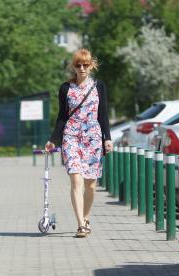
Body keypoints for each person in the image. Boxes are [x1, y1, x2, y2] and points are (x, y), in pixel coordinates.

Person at [45, 48, 113, 238]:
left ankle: (86, 217)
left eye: (86, 64)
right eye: (78, 65)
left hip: (93, 137)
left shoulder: (99, 86)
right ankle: (81, 225)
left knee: (90, 185)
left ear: (91, 65)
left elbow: (103, 114)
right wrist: (53, 140)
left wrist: (107, 138)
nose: (82, 68)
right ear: (73, 67)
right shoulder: (65, 88)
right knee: (76, 180)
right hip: (71, 136)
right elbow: (61, 117)